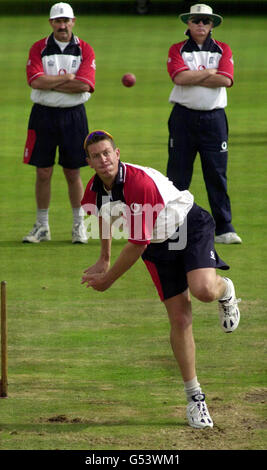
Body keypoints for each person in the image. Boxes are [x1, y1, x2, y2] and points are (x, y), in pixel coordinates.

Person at [80, 130, 241, 429]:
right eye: (96, 156)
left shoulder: (138, 183)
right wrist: (103, 258)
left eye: (107, 153)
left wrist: (109, 279)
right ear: (88, 162)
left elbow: (137, 244)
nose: (103, 160)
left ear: (117, 154)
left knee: (204, 290)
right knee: (180, 320)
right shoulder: (93, 190)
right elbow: (103, 216)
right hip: (158, 246)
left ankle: (225, 289)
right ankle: (196, 399)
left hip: (187, 226)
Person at [166, 3, 242, 244]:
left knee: (216, 174)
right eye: (196, 20)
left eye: (205, 21)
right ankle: (174, 227)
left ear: (212, 25)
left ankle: (224, 228)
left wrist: (196, 76)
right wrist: (210, 73)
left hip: (214, 119)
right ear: (188, 23)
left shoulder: (223, 49)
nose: (200, 25)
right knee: (178, 174)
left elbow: (226, 80)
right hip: (183, 117)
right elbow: (179, 77)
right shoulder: (177, 49)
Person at [22, 2, 96, 243]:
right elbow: (34, 81)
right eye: (58, 21)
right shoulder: (38, 48)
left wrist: (51, 80)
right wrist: (68, 79)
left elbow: (85, 85)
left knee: (72, 171)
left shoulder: (85, 49)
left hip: (74, 115)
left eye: (66, 21)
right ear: (51, 23)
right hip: (43, 115)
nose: (62, 25)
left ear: (73, 21)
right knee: (43, 171)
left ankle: (78, 226)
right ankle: (42, 227)